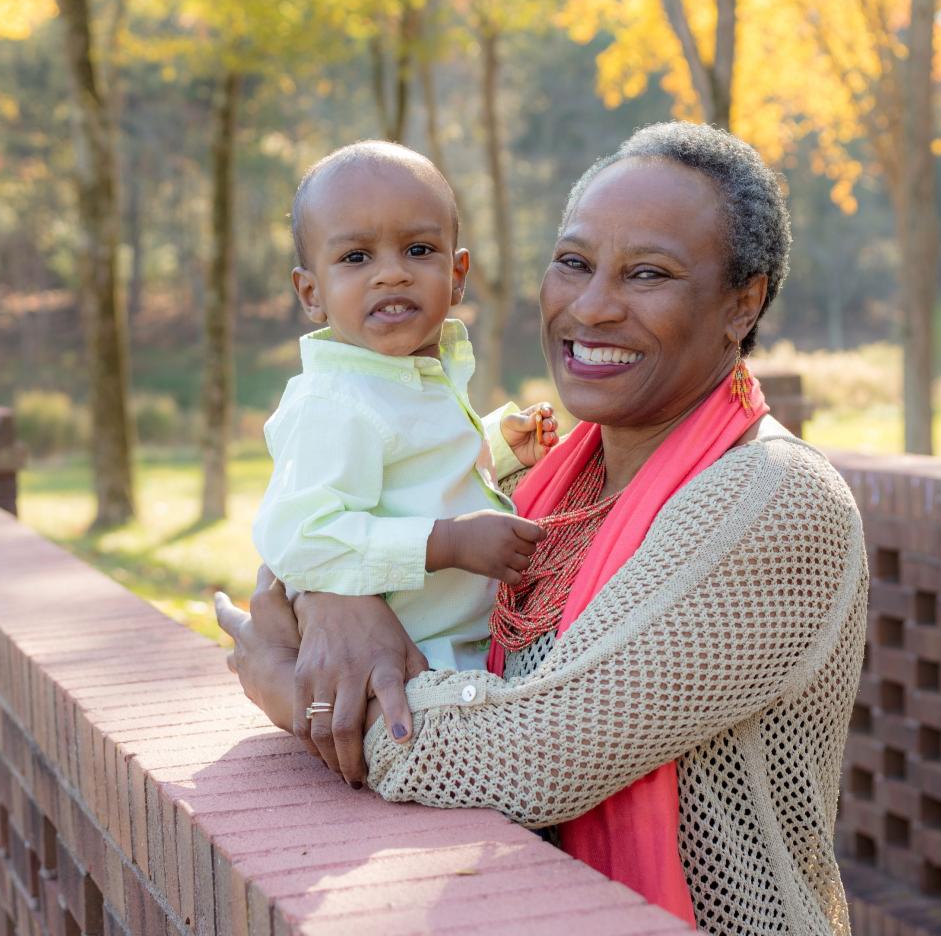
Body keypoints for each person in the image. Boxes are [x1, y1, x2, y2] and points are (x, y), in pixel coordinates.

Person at [219, 123, 869, 935]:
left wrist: (294, 691)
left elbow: (532, 755)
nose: (592, 305)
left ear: (742, 303)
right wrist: (329, 594)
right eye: (573, 262)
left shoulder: (771, 500)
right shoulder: (549, 483)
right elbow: (322, 528)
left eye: (648, 274)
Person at [253, 140, 558, 673]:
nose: (391, 273)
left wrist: (496, 448)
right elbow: (300, 539)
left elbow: (411, 474)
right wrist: (447, 542)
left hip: (471, 645)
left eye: (418, 250)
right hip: (403, 665)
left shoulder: (406, 376)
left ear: (458, 274)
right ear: (311, 294)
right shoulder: (334, 402)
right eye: (356, 257)